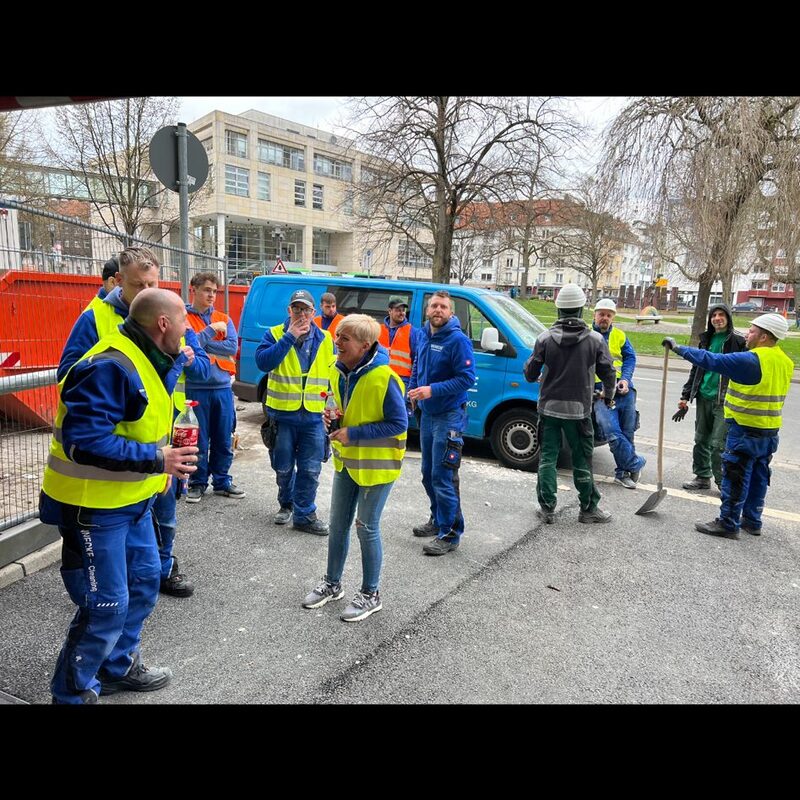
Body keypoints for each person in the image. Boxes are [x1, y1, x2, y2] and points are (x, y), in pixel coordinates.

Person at [40, 288, 199, 704]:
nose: (189, 328)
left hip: (132, 502)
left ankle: (116, 667)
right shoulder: (111, 364)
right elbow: (85, 442)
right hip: (94, 507)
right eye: (184, 319)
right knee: (105, 606)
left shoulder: (151, 357)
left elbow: (143, 423)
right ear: (163, 323)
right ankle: (72, 694)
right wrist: (156, 460)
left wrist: (159, 471)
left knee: (145, 582)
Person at [58, 247, 210, 598]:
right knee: (108, 593)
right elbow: (69, 374)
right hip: (115, 452)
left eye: (152, 282)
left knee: (164, 509)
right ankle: (110, 589)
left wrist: (182, 359)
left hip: (160, 436)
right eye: (138, 284)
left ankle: (161, 568)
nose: (145, 290)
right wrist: (115, 379)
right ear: (117, 281)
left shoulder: (166, 312)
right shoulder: (95, 318)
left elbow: (195, 364)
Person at [302, 314, 407, 621]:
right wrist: (330, 419)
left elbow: (399, 423)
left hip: (378, 466)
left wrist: (354, 432)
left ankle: (371, 594)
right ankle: (332, 584)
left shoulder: (384, 377)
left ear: (365, 345)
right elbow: (342, 410)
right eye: (338, 337)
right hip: (347, 461)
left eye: (344, 339)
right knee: (337, 525)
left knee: (367, 528)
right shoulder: (338, 371)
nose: (337, 343)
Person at [663, 312, 793, 538]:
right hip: (769, 431)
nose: (747, 334)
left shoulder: (752, 360)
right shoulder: (785, 361)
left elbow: (712, 360)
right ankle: (752, 521)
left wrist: (678, 348)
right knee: (758, 477)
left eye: (752, 330)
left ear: (764, 337)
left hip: (745, 429)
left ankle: (728, 523)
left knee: (736, 476)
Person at [523, 284, 617, 524]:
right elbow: (608, 373)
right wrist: (609, 395)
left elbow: (530, 373)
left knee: (547, 458)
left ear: (559, 310)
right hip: (579, 411)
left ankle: (547, 509)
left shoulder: (544, 339)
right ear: (580, 310)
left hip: (549, 409)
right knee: (582, 459)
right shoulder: (595, 340)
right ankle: (588, 509)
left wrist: (536, 371)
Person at [255, 288, 334, 534]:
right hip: (283, 415)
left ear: (314, 312)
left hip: (313, 417)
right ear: (289, 311)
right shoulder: (275, 334)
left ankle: (304, 515)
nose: (301, 314)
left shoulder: (325, 338)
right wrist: (288, 337)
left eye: (306, 310)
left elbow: (330, 376)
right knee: (283, 467)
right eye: (296, 309)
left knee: (310, 469)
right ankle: (286, 504)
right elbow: (264, 362)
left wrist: (332, 408)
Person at [407, 290, 475, 556]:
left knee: (443, 476)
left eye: (443, 307)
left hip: (449, 415)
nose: (437, 310)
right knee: (427, 474)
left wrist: (431, 390)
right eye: (434, 305)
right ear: (427, 310)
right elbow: (416, 367)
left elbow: (467, 379)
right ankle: (437, 519)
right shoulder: (424, 333)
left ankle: (450, 533)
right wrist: (413, 392)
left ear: (451, 312)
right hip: (427, 414)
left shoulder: (458, 341)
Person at [185, 271, 244, 502]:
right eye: (207, 290)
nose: (211, 295)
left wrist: (203, 343)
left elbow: (230, 348)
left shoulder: (224, 317)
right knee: (198, 439)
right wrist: (210, 332)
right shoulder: (184, 317)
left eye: (214, 291)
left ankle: (222, 481)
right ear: (194, 289)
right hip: (196, 388)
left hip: (221, 389)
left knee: (222, 437)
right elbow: (189, 344)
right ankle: (197, 483)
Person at [673, 304, 746, 493]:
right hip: (703, 397)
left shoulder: (737, 341)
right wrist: (685, 396)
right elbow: (696, 369)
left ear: (728, 318)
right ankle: (702, 477)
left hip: (725, 400)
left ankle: (723, 482)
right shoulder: (706, 340)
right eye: (714, 315)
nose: (717, 318)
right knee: (700, 440)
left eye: (721, 315)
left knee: (718, 444)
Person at [591, 298, 646, 488]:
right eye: (601, 314)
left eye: (608, 315)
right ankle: (636, 463)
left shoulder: (620, 335)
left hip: (623, 390)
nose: (604, 318)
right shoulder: (588, 336)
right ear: (594, 315)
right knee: (612, 433)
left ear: (613, 317)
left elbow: (630, 357)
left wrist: (626, 379)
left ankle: (622, 474)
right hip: (600, 391)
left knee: (628, 432)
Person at [378, 295, 418, 397]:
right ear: (389, 311)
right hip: (380, 377)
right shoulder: (379, 329)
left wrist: (412, 386)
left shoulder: (412, 332)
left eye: (403, 310)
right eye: (398, 310)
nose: (402, 313)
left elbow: (417, 360)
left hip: (402, 380)